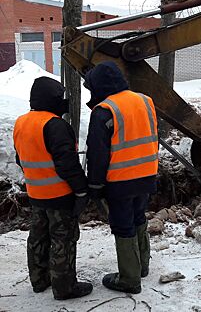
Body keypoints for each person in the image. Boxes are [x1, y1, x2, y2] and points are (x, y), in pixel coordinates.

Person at [13, 77, 93, 300]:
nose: (63, 101)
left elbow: (21, 159)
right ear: (52, 99)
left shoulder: (21, 122)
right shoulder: (55, 125)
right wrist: (81, 190)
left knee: (38, 237)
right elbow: (67, 164)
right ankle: (64, 287)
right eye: (60, 97)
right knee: (63, 239)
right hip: (60, 195)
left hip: (36, 194)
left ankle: (39, 281)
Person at [84, 61, 158, 294]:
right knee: (138, 218)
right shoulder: (145, 100)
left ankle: (129, 278)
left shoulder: (104, 111)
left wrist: (95, 186)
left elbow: (98, 154)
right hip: (147, 174)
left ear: (99, 86)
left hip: (120, 180)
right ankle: (142, 266)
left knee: (122, 225)